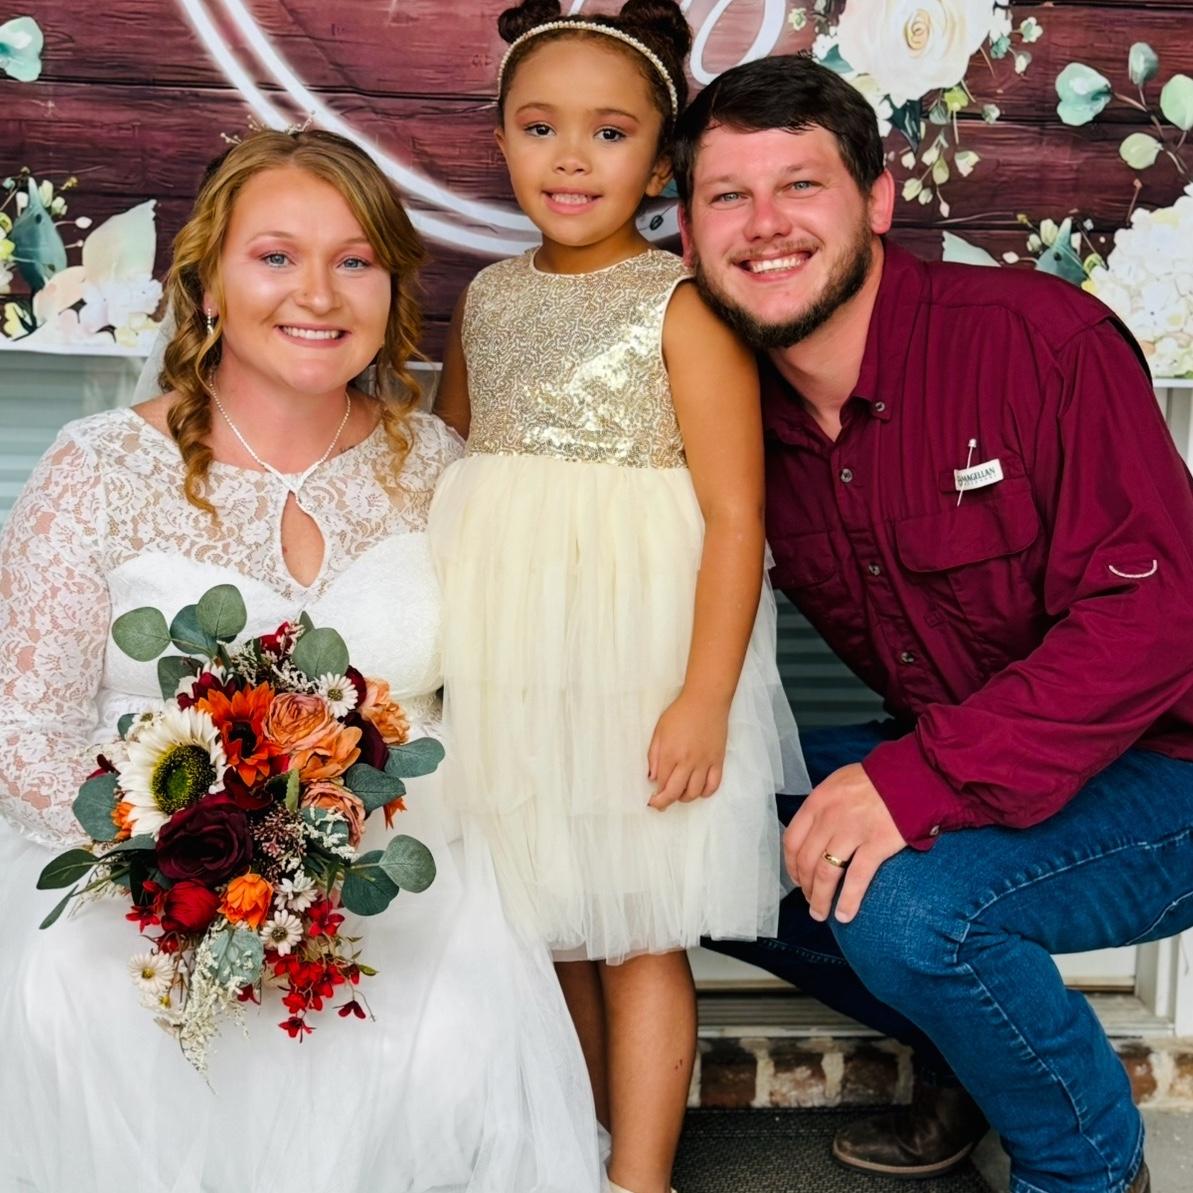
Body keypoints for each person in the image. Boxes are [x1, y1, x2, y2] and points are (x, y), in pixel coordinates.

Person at [0, 129, 602, 1193]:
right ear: (207, 284)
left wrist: (322, 862)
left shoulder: (440, 468)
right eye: (275, 255)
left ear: (391, 288)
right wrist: (185, 859)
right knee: (80, 996)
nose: (317, 293)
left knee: (456, 1014)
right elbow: (25, 729)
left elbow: (503, 701)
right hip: (144, 868)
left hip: (400, 861)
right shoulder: (97, 469)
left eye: (353, 259)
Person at [672, 52, 1193, 1193]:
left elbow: (1155, 620)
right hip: (970, 745)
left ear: (875, 199)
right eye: (726, 196)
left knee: (906, 904)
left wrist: (919, 781)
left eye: (799, 185)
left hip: (1167, 768)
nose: (764, 225)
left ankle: (1088, 1166)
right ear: (689, 235)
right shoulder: (729, 414)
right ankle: (977, 1051)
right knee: (668, 831)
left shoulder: (1036, 341)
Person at [429, 5, 806, 1192]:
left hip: (634, 663)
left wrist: (701, 697)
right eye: (539, 127)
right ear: (500, 140)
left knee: (636, 929)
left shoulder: (678, 305)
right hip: (511, 661)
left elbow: (736, 516)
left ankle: (639, 1177)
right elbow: (449, 464)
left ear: (657, 165)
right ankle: (576, 1150)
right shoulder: (486, 298)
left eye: (608, 131)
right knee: (546, 921)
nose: (571, 158)